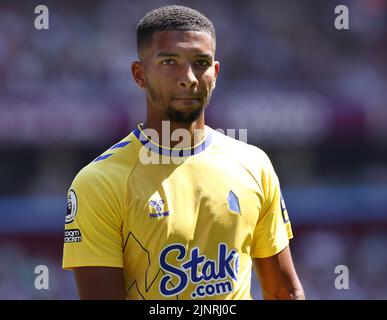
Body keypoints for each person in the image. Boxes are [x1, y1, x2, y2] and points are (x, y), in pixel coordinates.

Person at [62, 5, 305, 300]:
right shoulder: (99, 183)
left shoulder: (254, 165)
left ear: (215, 74)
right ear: (139, 75)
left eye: (201, 62)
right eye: (169, 62)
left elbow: (284, 292)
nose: (188, 77)